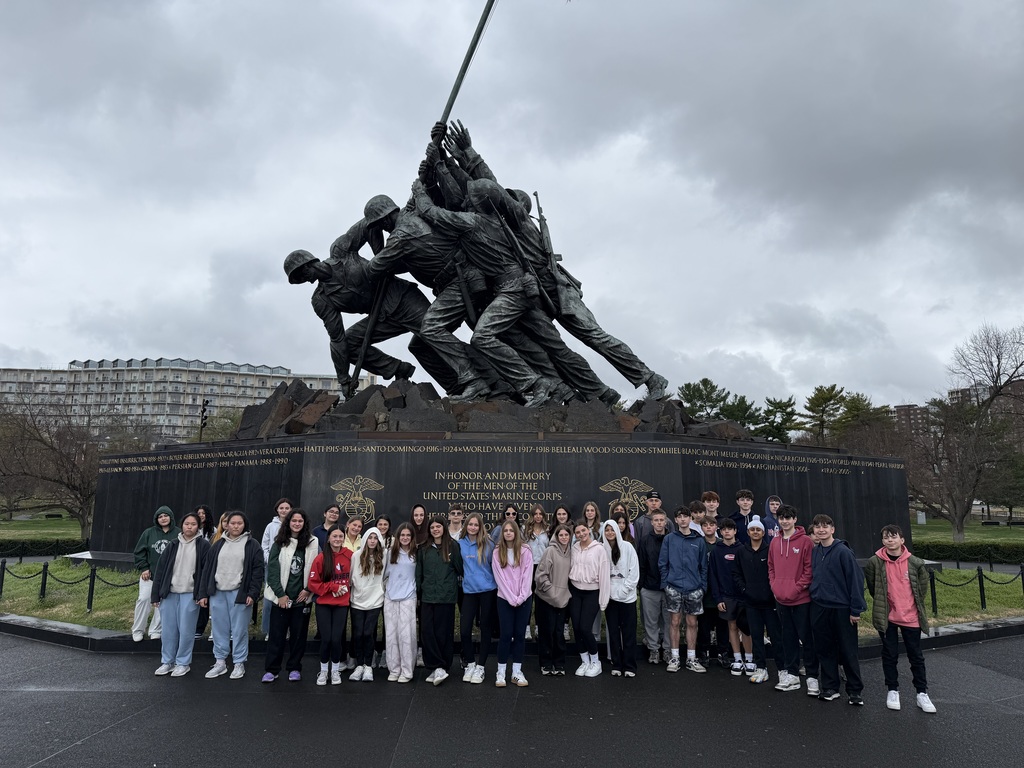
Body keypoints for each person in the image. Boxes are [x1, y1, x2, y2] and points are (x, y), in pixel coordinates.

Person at [864, 524, 936, 713]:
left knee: (916, 655)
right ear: (882, 541)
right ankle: (892, 689)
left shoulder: (916, 562)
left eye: (894, 537)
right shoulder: (874, 562)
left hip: (910, 615)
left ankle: (922, 692)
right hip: (887, 616)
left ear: (902, 540)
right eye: (886, 537)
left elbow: (921, 589)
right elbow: (873, 587)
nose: (890, 540)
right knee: (889, 654)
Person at [199, 511, 264, 680]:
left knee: (239, 630)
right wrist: (204, 593)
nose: (235, 526)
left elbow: (258, 571)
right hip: (218, 592)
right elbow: (207, 570)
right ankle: (220, 662)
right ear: (226, 525)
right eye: (232, 523)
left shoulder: (252, 544)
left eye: (239, 523)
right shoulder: (218, 544)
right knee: (219, 629)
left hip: (240, 593)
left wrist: (253, 593)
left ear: (245, 525)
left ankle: (239, 663)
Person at [810, 514, 866, 705]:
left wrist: (856, 609)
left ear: (832, 529)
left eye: (825, 526)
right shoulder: (815, 551)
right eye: (817, 527)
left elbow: (855, 580)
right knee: (824, 650)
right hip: (820, 606)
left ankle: (855, 690)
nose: (821, 530)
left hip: (841, 608)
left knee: (847, 650)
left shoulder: (843, 551)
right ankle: (830, 687)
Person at [262, 509, 318, 683]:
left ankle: (294, 668)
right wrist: (280, 595)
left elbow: (316, 568)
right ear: (288, 522)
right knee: (276, 636)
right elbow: (272, 571)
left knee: (298, 637)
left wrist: (308, 589)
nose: (297, 524)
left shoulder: (312, 542)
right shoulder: (280, 542)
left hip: (302, 599)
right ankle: (272, 670)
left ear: (304, 523)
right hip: (281, 598)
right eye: (294, 521)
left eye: (300, 521)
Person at [151, 511, 210, 677]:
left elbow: (206, 572)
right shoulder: (173, 544)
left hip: (190, 594)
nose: (189, 526)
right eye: (186, 524)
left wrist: (203, 594)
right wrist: (156, 595)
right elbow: (161, 570)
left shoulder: (203, 545)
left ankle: (183, 662)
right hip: (170, 594)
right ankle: (167, 661)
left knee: (186, 630)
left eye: (193, 524)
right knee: (168, 630)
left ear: (198, 526)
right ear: (181, 525)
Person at [768, 504, 819, 696]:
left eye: (788, 518)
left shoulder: (806, 541)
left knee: (807, 638)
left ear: (795, 519)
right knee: (787, 638)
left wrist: (796, 589)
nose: (785, 521)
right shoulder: (774, 542)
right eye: (781, 518)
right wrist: (774, 586)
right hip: (781, 599)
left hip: (801, 600)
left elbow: (809, 570)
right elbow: (771, 567)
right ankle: (791, 674)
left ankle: (812, 675)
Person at [733, 516, 783, 685]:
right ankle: (761, 668)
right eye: (752, 530)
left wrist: (773, 591)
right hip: (751, 603)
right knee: (756, 637)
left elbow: (777, 572)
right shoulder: (741, 551)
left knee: (776, 637)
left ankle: (782, 669)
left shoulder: (770, 550)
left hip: (770, 603)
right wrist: (745, 589)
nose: (755, 532)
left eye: (758, 530)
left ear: (763, 532)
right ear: (748, 532)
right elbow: (736, 574)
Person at [659, 506, 707, 673]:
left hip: (694, 588)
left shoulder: (699, 540)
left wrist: (702, 586)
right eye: (680, 517)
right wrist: (666, 584)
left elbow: (703, 567)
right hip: (673, 587)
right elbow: (662, 563)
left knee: (692, 623)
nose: (684, 519)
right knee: (674, 622)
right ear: (676, 520)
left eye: (686, 516)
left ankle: (692, 658)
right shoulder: (669, 539)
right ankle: (674, 657)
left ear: (690, 518)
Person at [416, 516, 463, 685]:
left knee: (443, 632)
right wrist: (419, 594)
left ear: (444, 528)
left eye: (438, 526)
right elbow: (419, 573)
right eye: (432, 527)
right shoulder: (423, 549)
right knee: (427, 632)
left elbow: (459, 568)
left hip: (446, 596)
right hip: (428, 596)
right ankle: (435, 666)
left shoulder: (453, 546)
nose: (435, 529)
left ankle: (442, 666)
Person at [307, 527, 352, 685]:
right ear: (328, 538)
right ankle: (323, 671)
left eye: (340, 536)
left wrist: (346, 590)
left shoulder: (350, 556)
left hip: (341, 604)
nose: (337, 539)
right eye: (334, 536)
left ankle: (335, 671)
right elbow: (313, 583)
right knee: (326, 639)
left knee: (336, 639)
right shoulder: (320, 558)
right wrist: (333, 587)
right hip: (324, 604)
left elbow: (355, 577)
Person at [492, 519, 534, 687]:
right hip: (504, 599)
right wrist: (511, 598)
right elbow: (499, 578)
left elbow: (527, 575)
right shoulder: (496, 552)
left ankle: (517, 671)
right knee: (505, 635)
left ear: (516, 532)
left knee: (519, 635)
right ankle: (501, 671)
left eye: (511, 530)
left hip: (524, 598)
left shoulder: (525, 551)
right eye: (505, 530)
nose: (508, 533)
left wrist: (521, 597)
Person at [709, 516, 753, 675]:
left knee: (746, 628)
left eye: (730, 529)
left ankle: (749, 658)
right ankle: (737, 659)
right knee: (732, 627)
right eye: (724, 529)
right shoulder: (716, 551)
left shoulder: (743, 549)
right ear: (720, 532)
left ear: (735, 531)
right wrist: (718, 598)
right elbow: (712, 576)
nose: (727, 532)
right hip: (726, 597)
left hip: (743, 596)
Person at [458, 512, 497, 684]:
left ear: (480, 527)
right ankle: (471, 664)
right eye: (470, 524)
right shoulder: (459, 544)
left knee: (485, 629)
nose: (473, 527)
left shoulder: (489, 544)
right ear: (466, 526)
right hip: (469, 592)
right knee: (465, 630)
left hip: (487, 590)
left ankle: (481, 667)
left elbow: (495, 566)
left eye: (476, 525)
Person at [569, 521, 610, 677]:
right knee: (577, 628)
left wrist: (603, 600)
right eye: (578, 532)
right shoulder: (573, 549)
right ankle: (584, 661)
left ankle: (595, 661)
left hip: (592, 592)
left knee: (586, 628)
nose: (581, 534)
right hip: (575, 591)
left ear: (589, 530)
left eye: (583, 531)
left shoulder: (599, 549)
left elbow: (605, 575)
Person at [132, 505, 179, 642]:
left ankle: (156, 630)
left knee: (162, 604)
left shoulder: (178, 533)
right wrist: (143, 568)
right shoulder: (148, 533)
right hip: (150, 575)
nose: (163, 518)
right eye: (160, 516)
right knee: (144, 599)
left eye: (165, 516)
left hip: (168, 577)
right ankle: (138, 629)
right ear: (156, 519)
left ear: (170, 517)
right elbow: (139, 552)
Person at [602, 520, 639, 677]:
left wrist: (624, 590)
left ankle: (629, 665)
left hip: (627, 598)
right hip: (610, 598)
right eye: (607, 530)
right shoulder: (601, 549)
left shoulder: (627, 547)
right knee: (614, 633)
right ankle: (616, 664)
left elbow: (634, 571)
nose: (610, 532)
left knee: (628, 632)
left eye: (612, 529)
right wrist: (608, 592)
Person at [535, 523, 572, 675]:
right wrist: (552, 592)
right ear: (556, 537)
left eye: (566, 535)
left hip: (563, 600)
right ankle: (546, 663)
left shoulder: (572, 553)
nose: (563, 537)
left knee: (558, 632)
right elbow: (540, 575)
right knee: (547, 631)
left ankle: (559, 663)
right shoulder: (550, 551)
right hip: (547, 598)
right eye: (561, 535)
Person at [350, 527, 386, 681]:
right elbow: (352, 576)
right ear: (365, 539)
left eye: (375, 538)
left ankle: (368, 666)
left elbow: (386, 576)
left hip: (376, 600)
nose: (372, 540)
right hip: (357, 600)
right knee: (357, 634)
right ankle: (359, 665)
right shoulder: (356, 555)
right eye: (370, 537)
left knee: (368, 633)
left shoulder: (384, 555)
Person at [384, 523, 418, 683]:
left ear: (412, 537)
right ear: (397, 537)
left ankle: (407, 670)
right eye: (402, 535)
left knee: (406, 635)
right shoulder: (389, 553)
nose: (405, 538)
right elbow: (382, 574)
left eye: (408, 535)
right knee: (391, 635)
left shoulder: (416, 554)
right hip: (390, 597)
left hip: (408, 598)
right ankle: (394, 669)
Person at [638, 507, 672, 665]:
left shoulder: (672, 539)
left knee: (668, 621)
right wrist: (641, 586)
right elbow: (642, 564)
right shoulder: (645, 540)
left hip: (669, 587)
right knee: (651, 621)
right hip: (650, 587)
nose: (659, 523)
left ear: (666, 522)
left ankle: (667, 649)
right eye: (656, 520)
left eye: (661, 520)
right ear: (652, 522)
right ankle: (653, 649)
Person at [696, 514, 729, 668]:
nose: (708, 527)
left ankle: (723, 653)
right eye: (705, 525)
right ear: (701, 528)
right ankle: (704, 653)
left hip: (721, 591)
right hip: (704, 591)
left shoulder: (722, 544)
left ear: (717, 527)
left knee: (722, 625)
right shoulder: (698, 543)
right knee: (704, 626)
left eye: (711, 525)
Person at [260, 498, 293, 638]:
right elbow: (264, 546)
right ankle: (269, 630)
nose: (284, 510)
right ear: (277, 510)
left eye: (287, 508)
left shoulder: (294, 524)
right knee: (269, 600)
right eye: (281, 508)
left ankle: (286, 630)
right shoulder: (270, 526)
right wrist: (271, 562)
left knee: (288, 598)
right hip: (272, 568)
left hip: (290, 568)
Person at [522, 503, 549, 640]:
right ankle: (526, 628)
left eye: (540, 514)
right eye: (535, 514)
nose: (538, 516)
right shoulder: (525, 529)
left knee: (540, 599)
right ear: (532, 516)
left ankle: (538, 627)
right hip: (528, 567)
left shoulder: (547, 530)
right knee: (528, 598)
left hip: (542, 567)